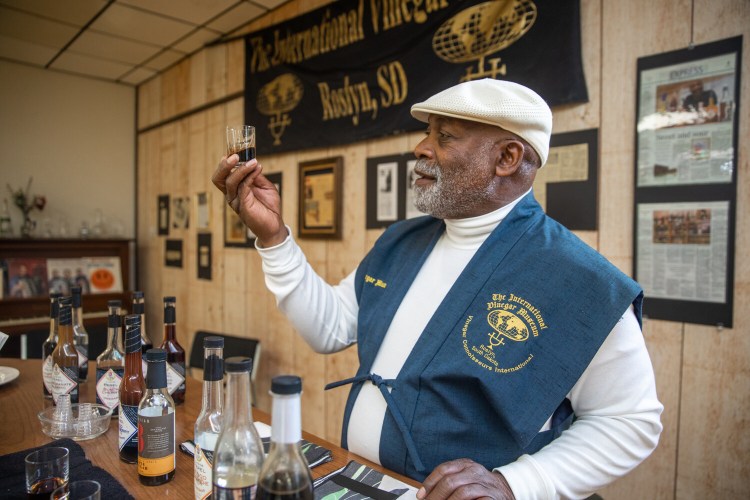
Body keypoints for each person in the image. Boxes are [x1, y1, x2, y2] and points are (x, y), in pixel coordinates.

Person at [212, 78, 663, 499]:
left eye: (444, 137)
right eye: (428, 133)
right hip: (368, 483)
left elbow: (630, 421)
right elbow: (328, 328)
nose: (420, 148)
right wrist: (273, 237)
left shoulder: (579, 280)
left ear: (507, 158)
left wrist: (516, 484)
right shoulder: (401, 241)